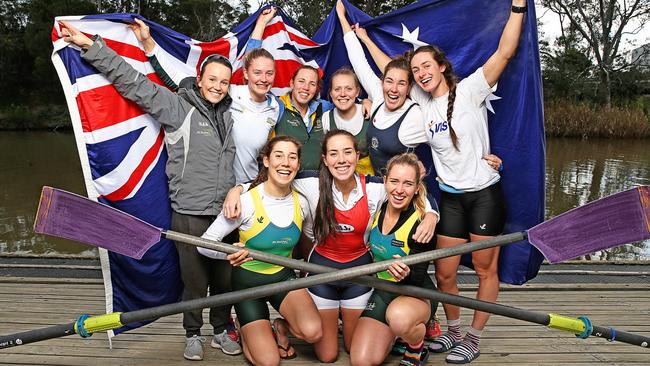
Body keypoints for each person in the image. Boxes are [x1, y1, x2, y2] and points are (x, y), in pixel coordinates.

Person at [350, 1, 526, 363]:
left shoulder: (471, 89)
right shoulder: (420, 101)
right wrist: (365, 39)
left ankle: (474, 338)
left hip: (484, 196)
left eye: (426, 66)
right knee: (444, 273)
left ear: (442, 66)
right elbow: (388, 68)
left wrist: (518, 7)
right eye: (416, 70)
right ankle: (453, 332)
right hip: (449, 198)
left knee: (483, 269)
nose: (420, 73)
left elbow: (505, 52)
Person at [60, 21, 242, 360]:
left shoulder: (231, 114)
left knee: (224, 279)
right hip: (188, 212)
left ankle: (220, 330)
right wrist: (90, 45)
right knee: (192, 281)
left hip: (225, 215)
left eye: (224, 82)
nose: (218, 86)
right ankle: (192, 334)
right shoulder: (178, 108)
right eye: (212, 79)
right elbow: (133, 82)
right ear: (200, 80)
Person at [223, 129, 438, 362]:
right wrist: (239, 190)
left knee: (354, 348)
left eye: (347, 152)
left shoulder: (376, 186)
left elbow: (410, 188)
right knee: (327, 356)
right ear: (325, 159)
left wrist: (431, 213)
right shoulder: (310, 182)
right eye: (333, 154)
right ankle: (284, 327)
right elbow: (275, 177)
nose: (341, 160)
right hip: (322, 272)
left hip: (360, 273)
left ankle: (392, 335)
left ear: (358, 156)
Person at [198, 136, 322, 365]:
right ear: (266, 160)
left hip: (283, 279)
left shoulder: (302, 202)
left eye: (292, 157)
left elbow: (311, 239)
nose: (285, 163)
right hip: (247, 284)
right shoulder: (245, 202)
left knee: (313, 332)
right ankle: (242, 326)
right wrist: (228, 253)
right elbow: (204, 243)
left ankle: (281, 328)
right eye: (278, 156)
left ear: (298, 164)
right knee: (269, 362)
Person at [135, 12, 281, 184]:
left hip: (247, 189)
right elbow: (177, 78)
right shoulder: (228, 93)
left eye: (269, 73)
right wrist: (147, 42)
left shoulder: (277, 108)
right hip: (212, 187)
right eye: (257, 73)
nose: (263, 78)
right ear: (246, 74)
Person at [351, 153, 437, 366]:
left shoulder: (422, 223)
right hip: (383, 290)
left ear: (417, 188)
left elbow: (417, 276)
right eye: (394, 181)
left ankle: (415, 346)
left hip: (415, 293)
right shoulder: (377, 206)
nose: (399, 190)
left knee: (398, 319)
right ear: (385, 181)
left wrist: (406, 272)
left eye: (408, 184)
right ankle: (397, 334)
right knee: (362, 361)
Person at [336, 1, 428, 177]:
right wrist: (342, 17)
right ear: (382, 82)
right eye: (389, 81)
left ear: (409, 88)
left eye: (401, 83)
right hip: (379, 190)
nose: (393, 89)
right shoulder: (378, 96)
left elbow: (444, 138)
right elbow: (358, 60)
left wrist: (482, 157)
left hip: (404, 194)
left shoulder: (416, 115)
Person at [322, 68, 374, 175]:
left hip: (369, 180)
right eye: (337, 89)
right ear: (331, 93)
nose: (342, 94)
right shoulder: (326, 118)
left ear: (357, 92)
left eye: (348, 89)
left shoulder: (370, 112)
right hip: (339, 178)